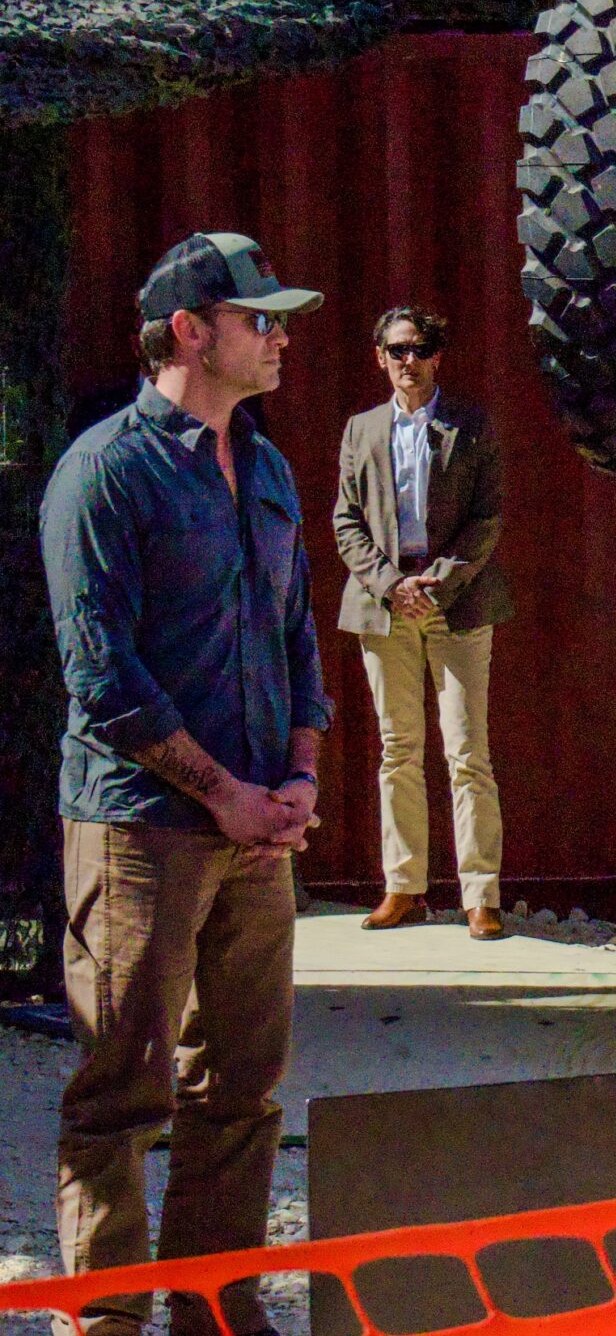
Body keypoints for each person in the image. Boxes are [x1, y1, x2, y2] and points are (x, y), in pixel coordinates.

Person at [40, 232, 330, 1336]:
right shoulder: (105, 472)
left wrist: (298, 774)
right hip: (141, 830)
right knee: (123, 1095)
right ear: (190, 331)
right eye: (261, 319)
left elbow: (296, 632)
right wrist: (223, 794)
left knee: (242, 1090)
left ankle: (218, 1310)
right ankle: (105, 1320)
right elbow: (102, 676)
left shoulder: (265, 465)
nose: (281, 337)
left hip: (258, 828)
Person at [332, 306, 513, 940]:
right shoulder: (361, 429)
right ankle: (404, 887)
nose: (408, 360)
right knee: (398, 749)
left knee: (467, 751)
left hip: (455, 602)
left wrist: (437, 581)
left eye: (420, 348)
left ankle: (480, 895)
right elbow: (346, 521)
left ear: (438, 355)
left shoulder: (472, 425)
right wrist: (391, 585)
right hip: (384, 605)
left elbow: (488, 517)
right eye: (397, 350)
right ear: (379, 357)